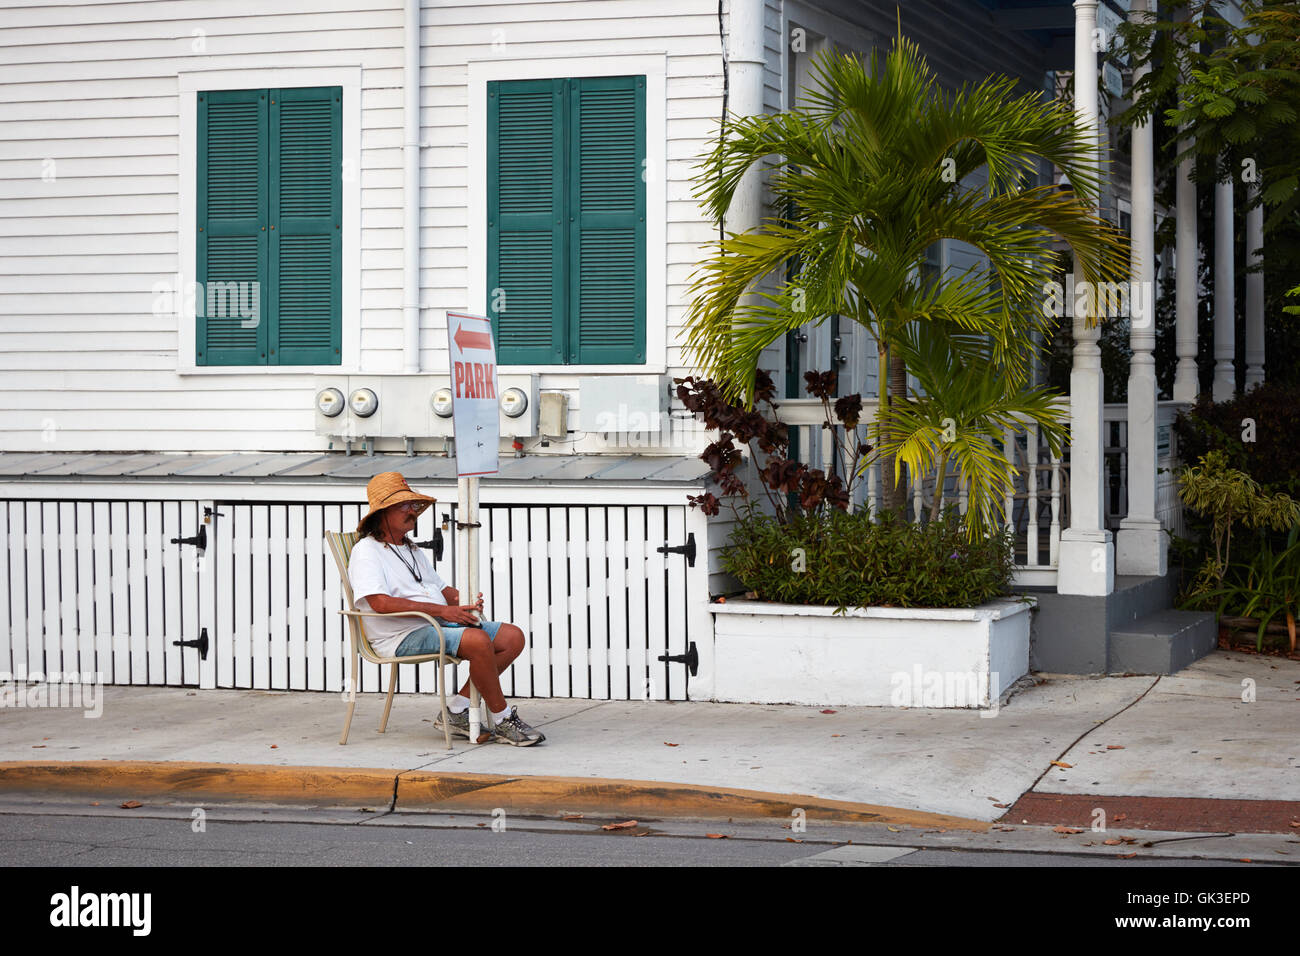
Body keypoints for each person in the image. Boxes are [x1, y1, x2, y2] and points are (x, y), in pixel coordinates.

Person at [347, 472, 544, 746]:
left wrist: (463, 600)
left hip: (432, 624)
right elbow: (380, 603)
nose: (412, 511)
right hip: (399, 635)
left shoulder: (410, 549)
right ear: (382, 513)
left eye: (413, 506)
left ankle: (456, 709)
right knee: (477, 640)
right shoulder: (366, 551)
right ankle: (502, 720)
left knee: (512, 637)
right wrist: (442, 612)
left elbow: (440, 589)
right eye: (403, 505)